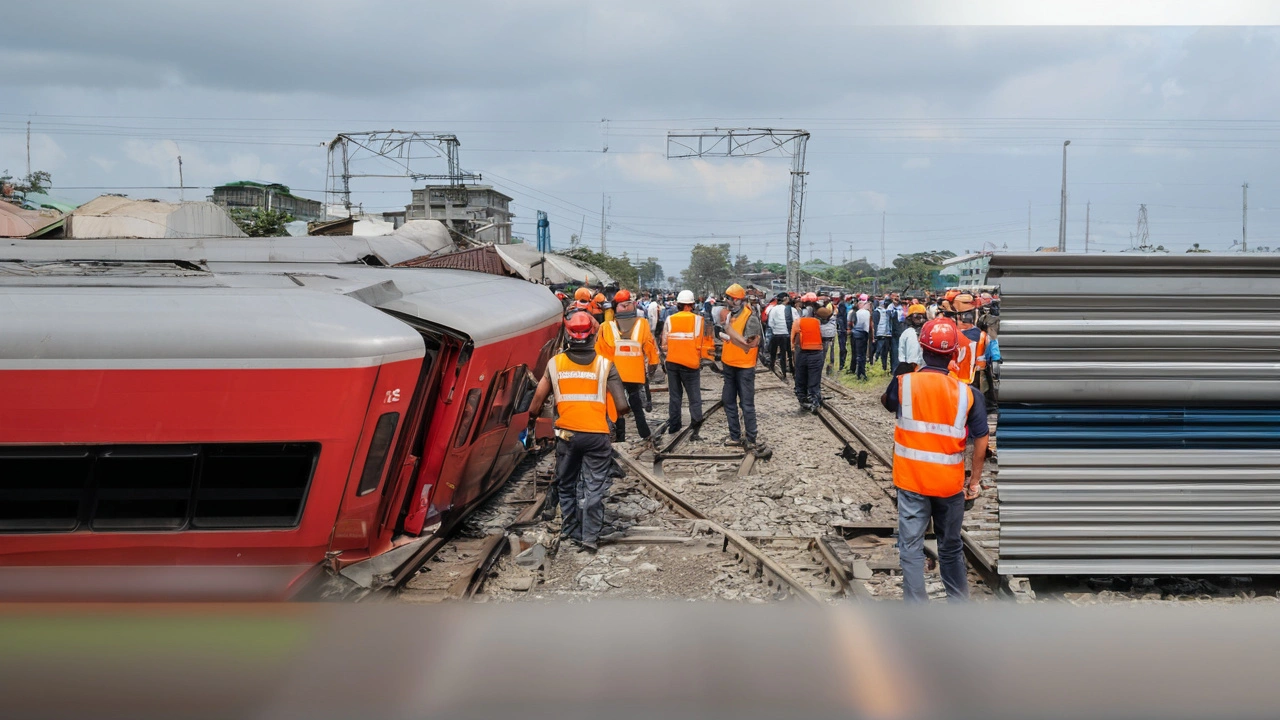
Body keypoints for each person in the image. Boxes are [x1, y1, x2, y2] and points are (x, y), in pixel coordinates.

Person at [880, 318, 988, 602]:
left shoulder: (904, 384)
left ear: (921, 347)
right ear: (954, 354)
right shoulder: (968, 394)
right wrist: (974, 481)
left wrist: (902, 372)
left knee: (911, 547)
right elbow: (981, 438)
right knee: (950, 546)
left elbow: (887, 401)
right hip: (949, 485)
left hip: (912, 480)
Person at [527, 312, 631, 552]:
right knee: (594, 486)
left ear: (568, 335)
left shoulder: (555, 364)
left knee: (566, 483)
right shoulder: (606, 364)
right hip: (596, 436)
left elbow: (536, 404)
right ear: (593, 334)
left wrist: (532, 420)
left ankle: (570, 531)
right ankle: (590, 538)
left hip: (567, 436)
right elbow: (623, 406)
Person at [596, 289, 660, 449]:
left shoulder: (606, 327)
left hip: (613, 374)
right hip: (634, 373)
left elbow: (599, 353)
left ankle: (619, 438)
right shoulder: (642, 324)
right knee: (636, 403)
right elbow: (650, 347)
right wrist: (653, 365)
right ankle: (644, 433)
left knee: (616, 406)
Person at [718, 283, 764, 450]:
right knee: (728, 401)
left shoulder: (750, 318)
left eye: (729, 299)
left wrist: (729, 333)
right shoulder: (731, 316)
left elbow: (751, 344)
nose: (726, 302)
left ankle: (751, 438)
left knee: (746, 404)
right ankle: (735, 436)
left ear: (737, 300)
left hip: (744, 367)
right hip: (729, 365)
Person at [662, 290, 713, 438]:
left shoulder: (670, 319)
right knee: (694, 396)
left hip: (672, 363)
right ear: (692, 304)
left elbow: (664, 343)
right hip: (690, 364)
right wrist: (701, 359)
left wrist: (670, 355)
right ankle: (695, 426)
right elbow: (703, 344)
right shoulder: (698, 320)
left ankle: (674, 426)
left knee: (675, 396)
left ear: (678, 304)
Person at [792, 304, 825, 412]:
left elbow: (793, 337)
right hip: (817, 352)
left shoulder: (798, 322)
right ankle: (814, 398)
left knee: (801, 376)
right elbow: (823, 334)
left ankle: (802, 398)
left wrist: (792, 349)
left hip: (802, 352)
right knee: (814, 377)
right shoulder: (817, 322)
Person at [765, 292, 797, 379]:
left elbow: (770, 323)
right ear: (786, 299)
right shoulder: (792, 310)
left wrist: (776, 329)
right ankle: (793, 371)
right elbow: (797, 322)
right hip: (788, 335)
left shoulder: (773, 309)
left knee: (774, 354)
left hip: (776, 334)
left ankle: (776, 371)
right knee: (790, 354)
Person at [895, 303, 927, 374]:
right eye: (917, 316)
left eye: (922, 316)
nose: (920, 319)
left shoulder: (928, 332)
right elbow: (901, 353)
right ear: (910, 318)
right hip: (909, 370)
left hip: (924, 370)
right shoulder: (906, 333)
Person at [850, 297, 871, 380]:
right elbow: (867, 325)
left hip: (855, 334)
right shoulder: (866, 313)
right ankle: (861, 373)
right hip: (863, 334)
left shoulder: (856, 312)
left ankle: (858, 372)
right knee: (862, 355)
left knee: (857, 354)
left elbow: (852, 323)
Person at [819, 300, 838, 377]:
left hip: (822, 336)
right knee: (831, 353)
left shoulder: (819, 316)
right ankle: (830, 370)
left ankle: (822, 368)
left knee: (823, 352)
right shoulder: (833, 316)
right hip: (831, 335)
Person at [833, 293, 850, 374]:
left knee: (842, 347)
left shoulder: (841, 305)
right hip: (842, 329)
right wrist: (844, 329)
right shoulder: (842, 305)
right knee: (842, 347)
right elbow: (843, 317)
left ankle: (842, 364)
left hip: (841, 328)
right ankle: (841, 364)